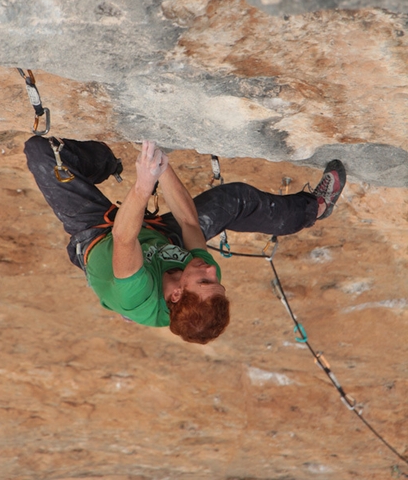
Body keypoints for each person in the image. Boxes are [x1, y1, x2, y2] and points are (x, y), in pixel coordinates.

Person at [24, 136, 346, 344]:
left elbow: (124, 236)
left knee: (41, 153)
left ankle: (105, 160)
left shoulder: (137, 293)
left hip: (96, 235)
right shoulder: (203, 280)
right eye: (214, 281)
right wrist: (162, 168)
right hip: (160, 239)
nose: (210, 270)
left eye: (205, 281)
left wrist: (144, 182)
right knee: (235, 199)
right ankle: (312, 209)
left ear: (177, 293)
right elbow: (190, 221)